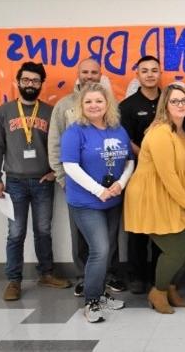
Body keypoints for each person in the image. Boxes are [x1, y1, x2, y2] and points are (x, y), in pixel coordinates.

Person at [0, 62, 71, 301]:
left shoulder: (50, 112)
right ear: (18, 81)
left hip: (43, 181)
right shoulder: (4, 112)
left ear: (41, 84)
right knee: (15, 233)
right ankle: (14, 280)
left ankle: (46, 273)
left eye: (35, 81)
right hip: (14, 182)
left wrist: (57, 172)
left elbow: (61, 145)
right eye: (26, 80)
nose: (30, 84)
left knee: (44, 230)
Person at [48, 58, 125, 297]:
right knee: (86, 242)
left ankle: (104, 280)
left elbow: (122, 152)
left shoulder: (113, 117)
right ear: (78, 74)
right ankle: (87, 282)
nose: (89, 76)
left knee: (106, 243)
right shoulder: (64, 107)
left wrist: (119, 184)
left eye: (94, 72)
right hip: (81, 192)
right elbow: (56, 147)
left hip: (111, 195)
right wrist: (64, 180)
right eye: (85, 72)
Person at [123, 84, 185, 314]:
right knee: (176, 249)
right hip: (153, 196)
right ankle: (158, 292)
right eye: (175, 101)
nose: (180, 105)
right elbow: (167, 176)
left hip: (180, 196)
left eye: (184, 101)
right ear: (165, 105)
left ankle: (170, 287)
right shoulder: (159, 133)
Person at [60, 82, 133, 323]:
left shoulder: (117, 129)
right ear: (81, 105)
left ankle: (101, 296)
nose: (94, 105)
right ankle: (91, 301)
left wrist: (120, 184)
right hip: (85, 202)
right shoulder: (75, 131)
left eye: (99, 101)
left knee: (108, 249)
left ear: (107, 104)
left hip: (112, 200)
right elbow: (69, 166)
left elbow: (129, 161)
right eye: (88, 101)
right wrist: (98, 190)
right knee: (99, 250)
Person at [119, 55, 162, 294]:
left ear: (160, 73)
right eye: (144, 71)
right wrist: (147, 155)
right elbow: (125, 140)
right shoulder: (127, 106)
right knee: (137, 227)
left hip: (164, 175)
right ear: (137, 75)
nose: (149, 74)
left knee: (159, 225)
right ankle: (136, 275)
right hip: (136, 173)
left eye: (154, 70)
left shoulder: (169, 101)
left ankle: (158, 275)